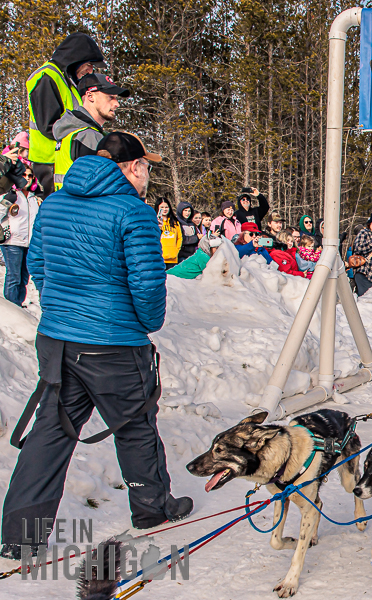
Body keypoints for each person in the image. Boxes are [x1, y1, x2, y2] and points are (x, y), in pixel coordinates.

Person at [1, 133, 192, 561]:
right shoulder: (132, 212)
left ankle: (20, 536)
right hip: (113, 343)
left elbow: (38, 267)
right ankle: (152, 510)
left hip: (58, 340)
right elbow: (147, 287)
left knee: (49, 433)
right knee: (135, 426)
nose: (147, 174)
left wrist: (64, 309)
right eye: (146, 165)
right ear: (130, 167)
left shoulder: (53, 205)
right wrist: (142, 323)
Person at [27, 33, 106, 198]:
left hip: (64, 157)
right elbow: (50, 125)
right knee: (59, 210)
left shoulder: (66, 80)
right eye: (89, 65)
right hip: (50, 160)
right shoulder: (47, 77)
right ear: (77, 58)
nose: (91, 71)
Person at [52, 74, 129, 190]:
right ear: (90, 96)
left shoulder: (70, 130)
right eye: (110, 97)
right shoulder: (88, 136)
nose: (116, 104)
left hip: (65, 204)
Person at [0, 166, 40, 306]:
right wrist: (6, 203)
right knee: (14, 276)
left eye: (30, 176)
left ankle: (18, 304)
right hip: (12, 241)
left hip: (29, 242)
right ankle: (12, 306)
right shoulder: (9, 194)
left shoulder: (33, 198)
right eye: (24, 175)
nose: (27, 178)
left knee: (24, 277)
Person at [155, 198, 182, 269]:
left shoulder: (175, 222)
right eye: (162, 207)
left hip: (172, 258)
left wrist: (176, 251)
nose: (164, 209)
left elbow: (179, 238)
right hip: (159, 257)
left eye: (166, 207)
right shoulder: (154, 222)